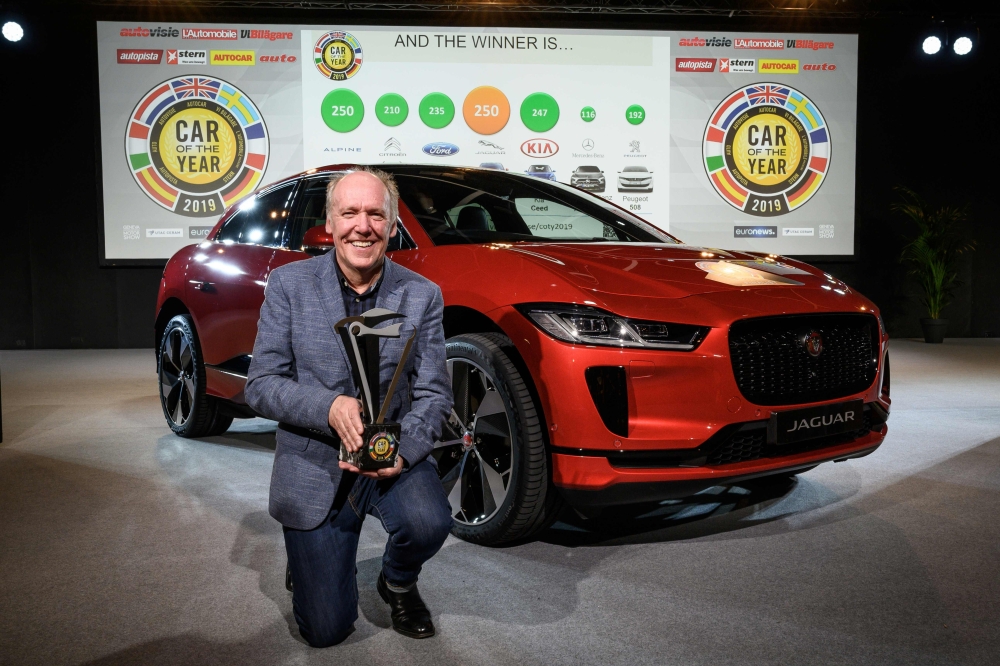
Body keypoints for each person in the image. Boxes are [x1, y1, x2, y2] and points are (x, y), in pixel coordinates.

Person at [245, 167, 454, 647]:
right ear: (331, 223)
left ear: (393, 224)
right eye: (350, 213)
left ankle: (397, 582)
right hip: (316, 459)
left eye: (376, 215)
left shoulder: (422, 295)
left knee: (428, 522)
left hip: (390, 454)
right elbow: (261, 385)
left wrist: (403, 453)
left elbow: (434, 393)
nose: (364, 226)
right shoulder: (288, 286)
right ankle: (308, 561)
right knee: (326, 630)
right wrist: (328, 406)